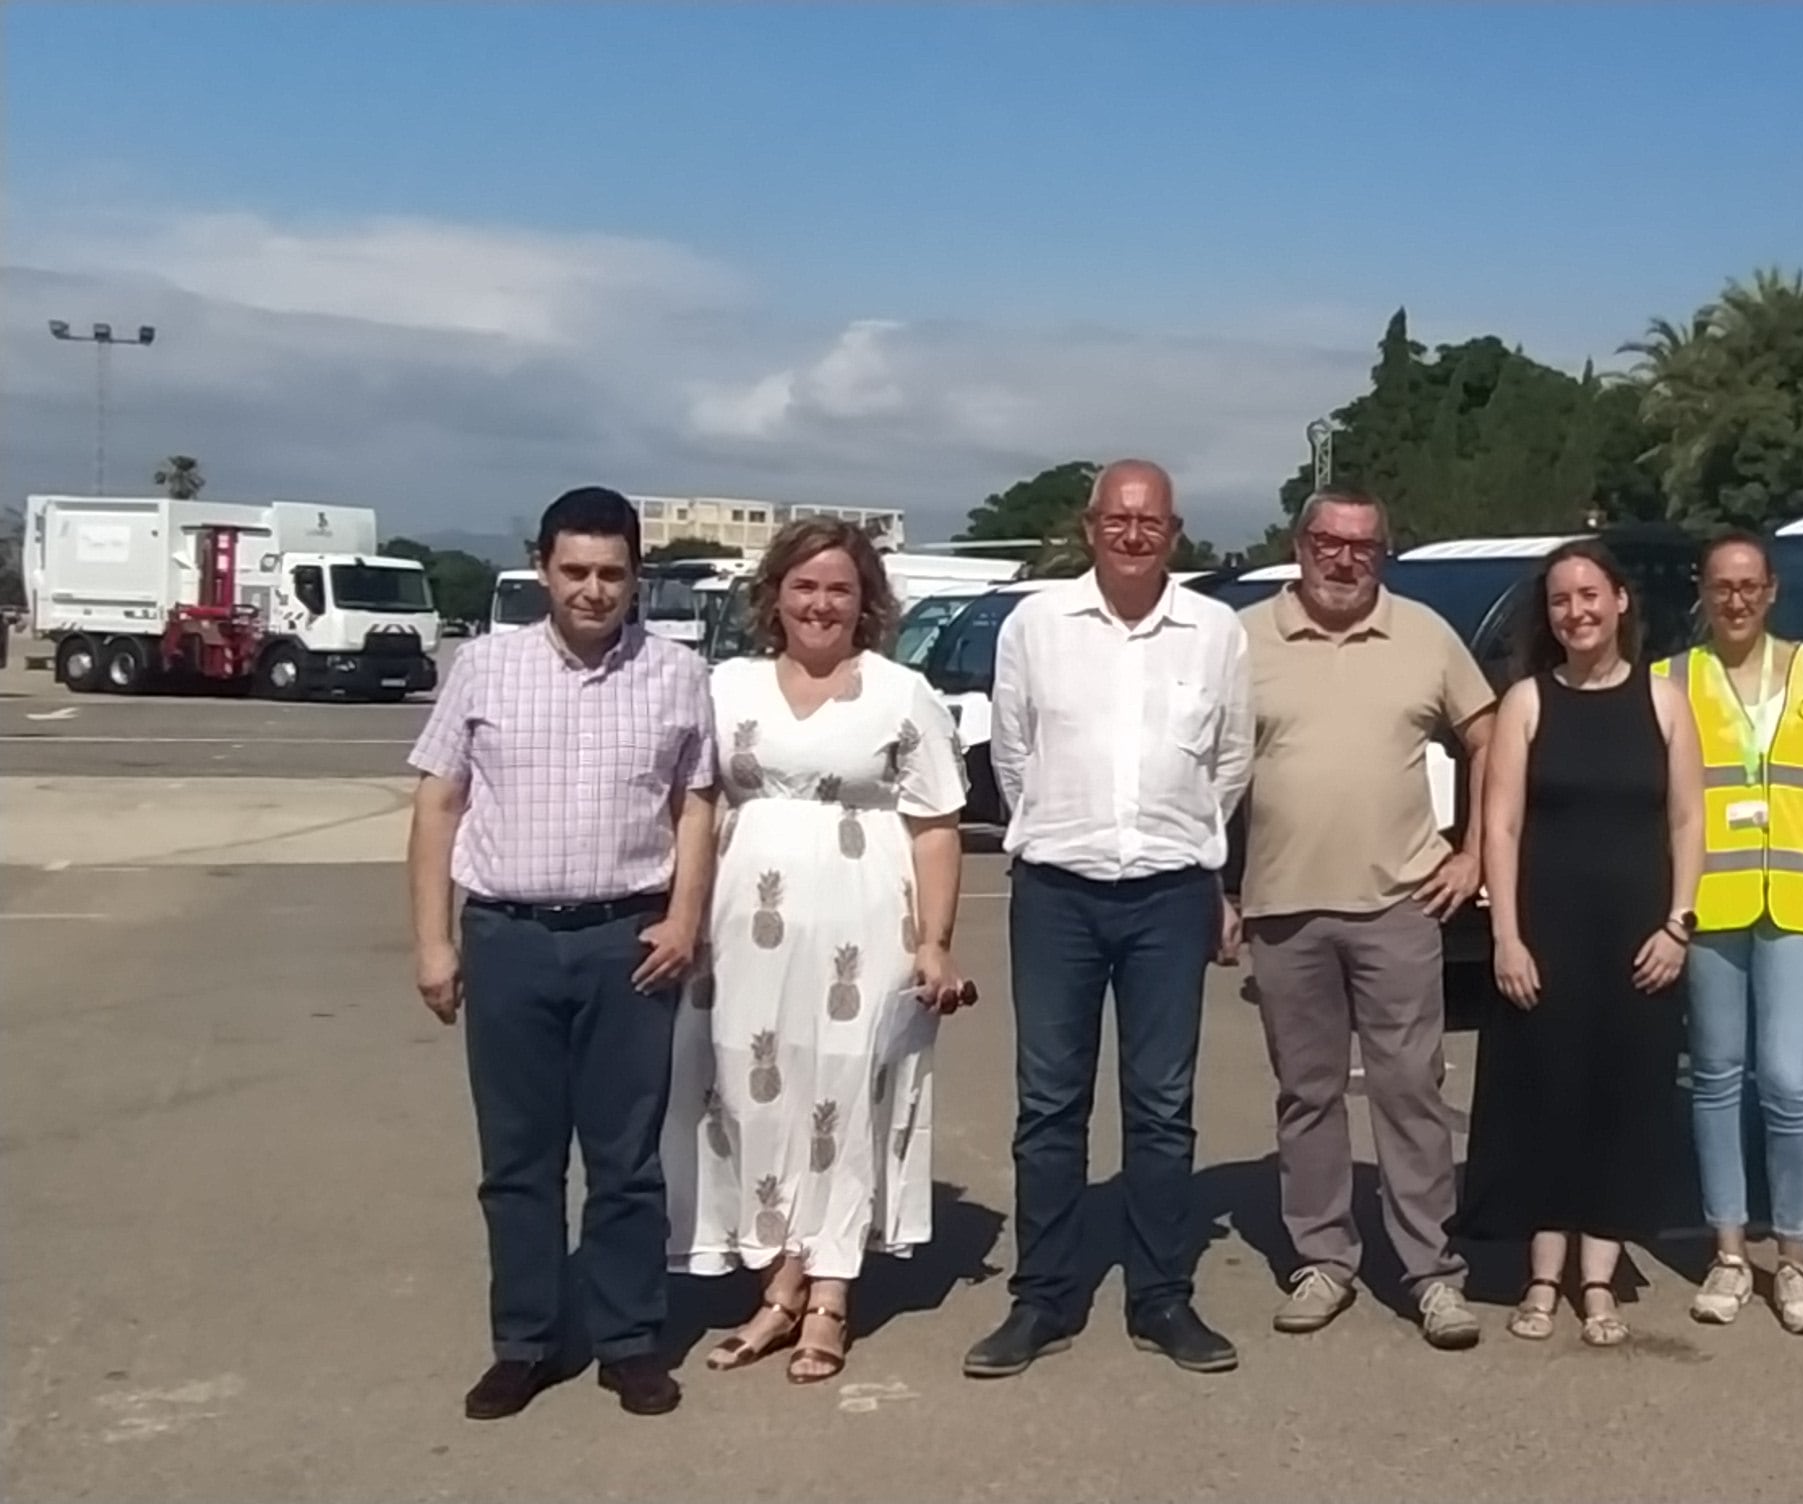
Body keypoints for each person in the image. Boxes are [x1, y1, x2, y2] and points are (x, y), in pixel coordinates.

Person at [405, 485, 718, 1420]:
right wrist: (433, 941)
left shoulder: (675, 674)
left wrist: (683, 917)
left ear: (637, 578)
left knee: (626, 1160)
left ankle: (628, 1340)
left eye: (612, 574)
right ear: (543, 566)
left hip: (630, 941)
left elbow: (696, 804)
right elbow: (438, 804)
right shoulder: (483, 668)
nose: (593, 590)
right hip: (509, 938)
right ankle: (527, 1341)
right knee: (518, 1159)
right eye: (574, 571)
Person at [665, 518, 973, 1385]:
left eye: (839, 587)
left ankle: (829, 1294)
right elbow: (689, 803)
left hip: (865, 926)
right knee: (747, 1097)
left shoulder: (900, 693)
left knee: (843, 1095)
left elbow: (938, 826)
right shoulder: (726, 687)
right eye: (804, 586)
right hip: (740, 932)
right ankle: (777, 1279)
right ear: (776, 596)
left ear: (865, 600)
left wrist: (936, 944)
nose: (820, 603)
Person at [966, 460, 1253, 1379]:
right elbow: (1014, 753)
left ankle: (1161, 1294)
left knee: (1162, 1107)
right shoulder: (1036, 625)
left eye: (1153, 522)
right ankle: (1043, 1296)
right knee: (1050, 1103)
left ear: (1176, 533)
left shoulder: (1215, 632)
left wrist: (1181, 840)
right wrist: (1065, 824)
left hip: (1169, 893)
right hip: (1059, 890)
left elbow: (1230, 759)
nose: (1134, 535)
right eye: (1117, 519)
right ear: (1090, 527)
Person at [1232, 489, 1493, 1351]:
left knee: (1411, 1091)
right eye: (1327, 543)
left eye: (1364, 547)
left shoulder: (1423, 633)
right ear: (1299, 544)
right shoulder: (1242, 640)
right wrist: (1212, 885)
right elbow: (1202, 764)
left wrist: (1474, 851)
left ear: (1384, 552)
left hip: (1399, 904)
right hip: (1281, 906)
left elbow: (1487, 735)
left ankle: (1431, 1272)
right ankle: (1324, 1260)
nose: (1344, 561)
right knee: (1307, 1096)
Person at [1454, 539, 1704, 1347]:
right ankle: (1540, 1274)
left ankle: (1598, 1280)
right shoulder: (1527, 701)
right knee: (1542, 1101)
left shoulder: (1665, 701)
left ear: (1621, 601)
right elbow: (1500, 823)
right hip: (1545, 936)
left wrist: (1680, 923)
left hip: (1640, 939)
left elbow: (1689, 820)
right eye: (1562, 600)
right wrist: (1505, 936)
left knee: (1620, 1103)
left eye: (1591, 594)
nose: (1577, 612)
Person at [1656, 533, 1803, 1334]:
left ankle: (1797, 1261)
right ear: (1702, 594)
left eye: (1749, 586)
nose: (1735, 599)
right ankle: (1731, 1252)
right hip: (1713, 900)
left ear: (1772, 591)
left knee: (1789, 1081)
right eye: (1721, 586)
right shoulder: (1673, 680)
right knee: (1715, 1077)